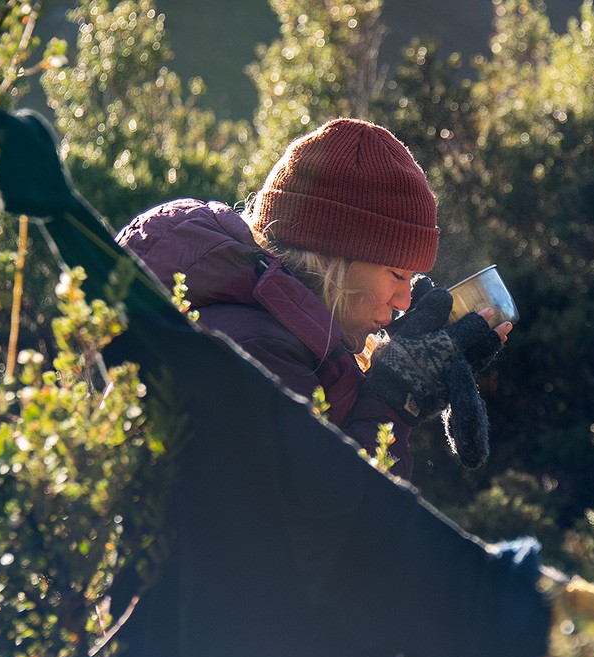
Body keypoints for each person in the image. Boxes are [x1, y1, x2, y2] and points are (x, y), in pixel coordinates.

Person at [116, 117, 510, 477]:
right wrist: (396, 399)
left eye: (412, 278)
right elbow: (341, 528)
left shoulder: (290, 333)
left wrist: (394, 375)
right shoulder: (256, 348)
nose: (404, 301)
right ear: (330, 258)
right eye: (396, 274)